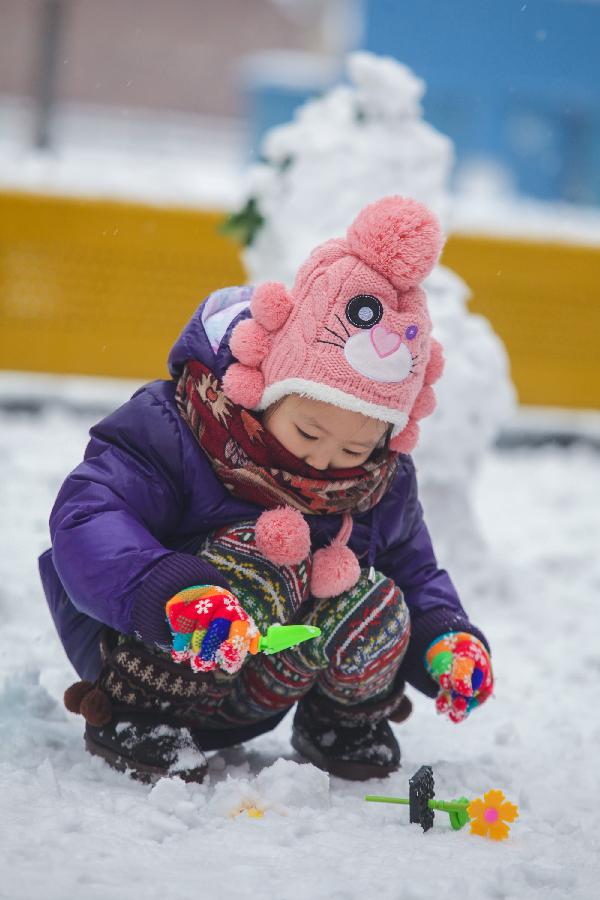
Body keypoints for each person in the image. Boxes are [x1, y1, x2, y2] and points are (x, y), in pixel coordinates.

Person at [39, 196, 493, 784]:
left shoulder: (381, 481)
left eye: (355, 450)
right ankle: (136, 719)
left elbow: (416, 570)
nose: (326, 460)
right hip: (150, 651)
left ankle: (341, 723)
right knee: (266, 554)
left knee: (376, 599)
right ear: (268, 387)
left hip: (263, 678)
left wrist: (448, 639)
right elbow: (89, 516)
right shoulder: (181, 427)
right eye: (309, 431)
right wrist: (166, 592)